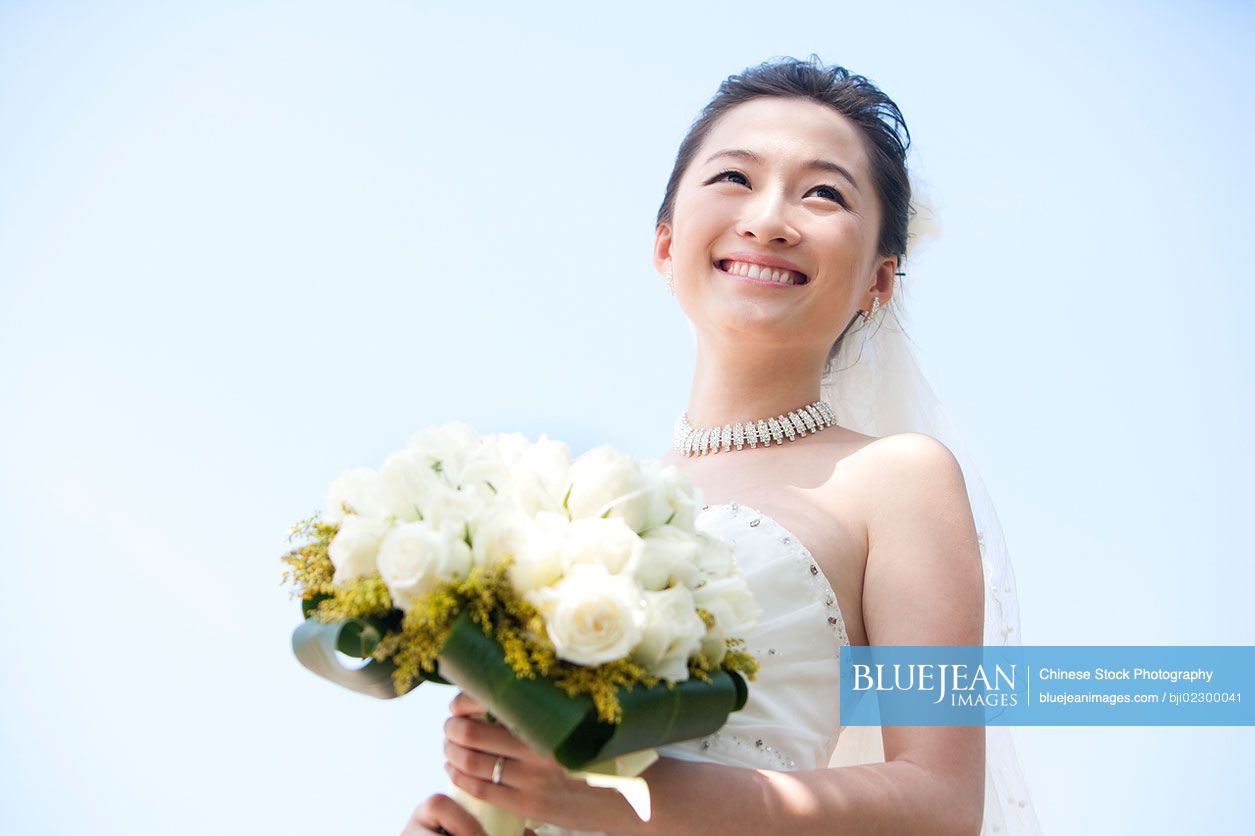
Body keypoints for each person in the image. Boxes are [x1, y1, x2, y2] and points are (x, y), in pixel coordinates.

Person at [404, 55, 1039, 836]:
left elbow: (940, 802)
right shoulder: (576, 508)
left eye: (823, 193)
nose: (769, 219)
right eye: (733, 178)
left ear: (880, 281)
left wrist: (628, 798)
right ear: (666, 244)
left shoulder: (896, 478)